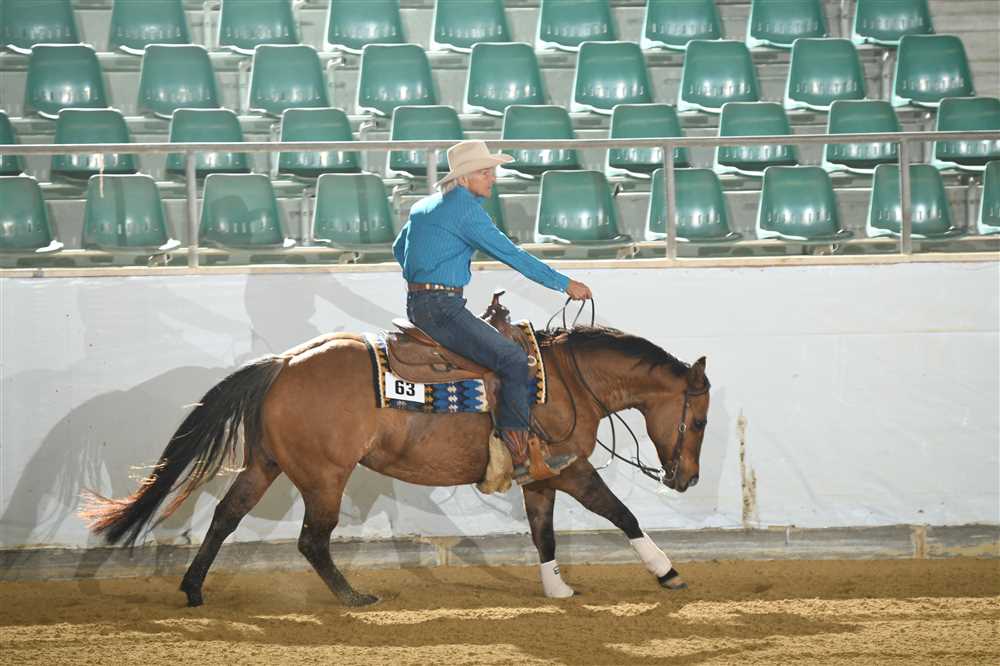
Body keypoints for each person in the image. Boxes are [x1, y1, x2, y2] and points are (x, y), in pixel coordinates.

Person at [393, 140, 592, 478]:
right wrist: (564, 284)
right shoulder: (465, 211)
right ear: (464, 178)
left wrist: (424, 275)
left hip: (419, 304)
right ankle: (520, 458)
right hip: (443, 307)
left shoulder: (424, 206)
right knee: (514, 360)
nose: (493, 178)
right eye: (485, 172)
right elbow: (511, 254)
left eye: (492, 171)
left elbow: (400, 249)